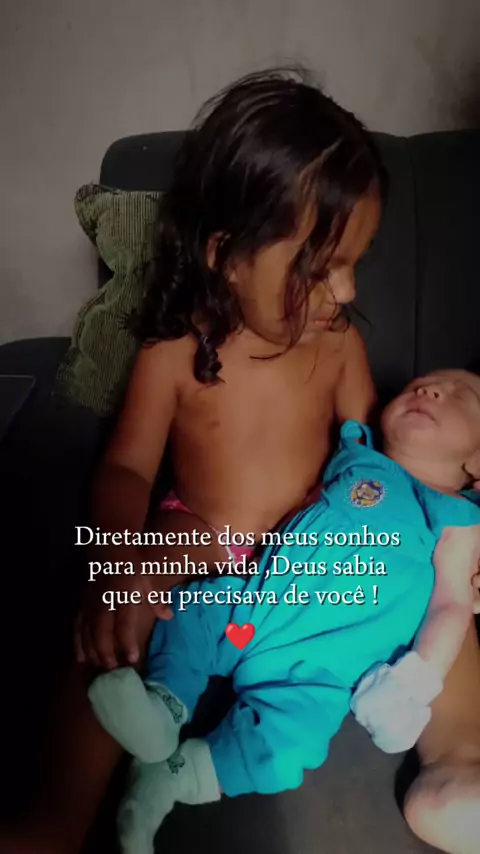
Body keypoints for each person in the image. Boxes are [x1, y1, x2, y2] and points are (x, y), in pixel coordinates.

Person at [1, 69, 382, 854]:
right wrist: (122, 561)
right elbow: (128, 471)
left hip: (310, 560)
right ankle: (53, 821)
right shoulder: (173, 353)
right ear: (227, 256)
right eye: (320, 267)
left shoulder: (340, 345)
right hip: (201, 540)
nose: (344, 292)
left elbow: (369, 460)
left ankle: (459, 758)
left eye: (356, 263)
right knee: (125, 606)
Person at [87, 369, 480, 854]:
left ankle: (174, 776)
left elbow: (452, 604)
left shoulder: (455, 516)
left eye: (462, 395)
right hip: (255, 606)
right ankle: (163, 707)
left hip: (321, 671)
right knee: (191, 613)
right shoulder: (356, 453)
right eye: (419, 384)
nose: (428, 389)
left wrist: (412, 682)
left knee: (292, 745)